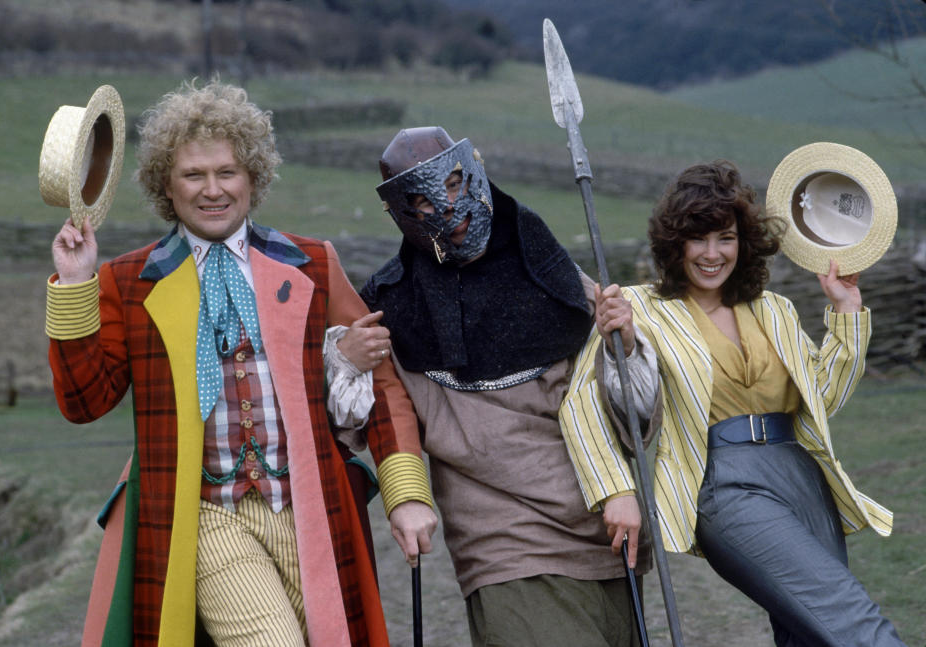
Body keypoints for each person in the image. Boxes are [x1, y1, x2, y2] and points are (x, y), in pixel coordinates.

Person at [46, 80, 437, 647]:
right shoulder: (128, 281)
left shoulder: (312, 263)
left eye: (227, 172)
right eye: (193, 175)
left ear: (253, 176)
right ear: (166, 186)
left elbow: (379, 379)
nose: (213, 190)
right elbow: (84, 403)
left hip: (311, 510)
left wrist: (407, 497)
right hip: (203, 519)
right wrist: (77, 284)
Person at [564, 160, 906, 646]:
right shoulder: (636, 309)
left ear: (743, 242)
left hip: (802, 476)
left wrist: (846, 311)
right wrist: (616, 491)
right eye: (697, 238)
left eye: (724, 237)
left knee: (809, 632)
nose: (711, 253)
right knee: (848, 616)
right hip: (724, 483)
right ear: (673, 243)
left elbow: (820, 398)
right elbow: (582, 406)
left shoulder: (774, 309)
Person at [360, 126, 660, 647]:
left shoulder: (554, 275)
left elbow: (630, 422)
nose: (446, 209)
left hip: (600, 525)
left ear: (475, 174)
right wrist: (343, 362)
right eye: (422, 202)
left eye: (455, 184)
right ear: (400, 214)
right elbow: (371, 414)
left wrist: (626, 345)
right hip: (502, 543)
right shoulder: (392, 308)